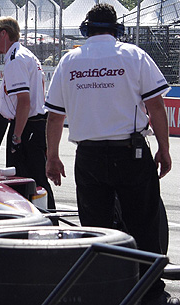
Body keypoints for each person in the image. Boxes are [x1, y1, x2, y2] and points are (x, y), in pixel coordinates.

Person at [44, 4, 176, 305]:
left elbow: (54, 117)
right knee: (143, 225)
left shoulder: (69, 61)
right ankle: (151, 295)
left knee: (96, 230)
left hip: (88, 156)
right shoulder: (134, 56)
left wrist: (52, 156)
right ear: (117, 29)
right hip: (131, 153)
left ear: (86, 29)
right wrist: (164, 149)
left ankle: (103, 293)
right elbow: (156, 106)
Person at [0, 16, 55, 210]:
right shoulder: (24, 54)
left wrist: (17, 136)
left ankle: (44, 220)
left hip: (27, 125)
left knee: (27, 179)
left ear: (3, 34)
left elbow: (24, 102)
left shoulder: (15, 59)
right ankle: (45, 218)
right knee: (33, 178)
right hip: (31, 123)